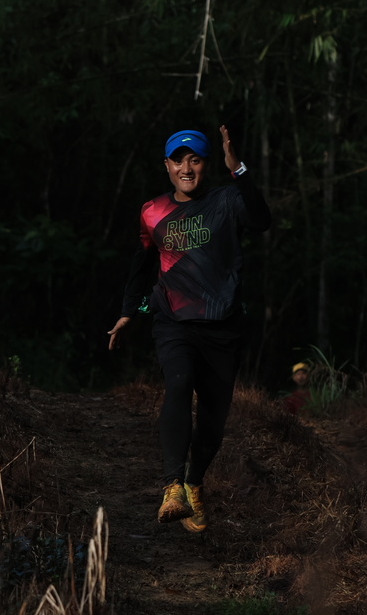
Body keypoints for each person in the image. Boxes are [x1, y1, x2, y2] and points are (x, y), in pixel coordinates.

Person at [107, 125, 271, 532]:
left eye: (194, 160)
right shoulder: (152, 211)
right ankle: (172, 488)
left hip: (223, 326)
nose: (186, 168)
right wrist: (129, 310)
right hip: (173, 321)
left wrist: (240, 170)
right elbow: (143, 263)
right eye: (178, 161)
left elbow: (262, 220)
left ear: (206, 165)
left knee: (214, 418)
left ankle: (194, 483)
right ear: (166, 166)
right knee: (178, 383)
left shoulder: (227, 200)